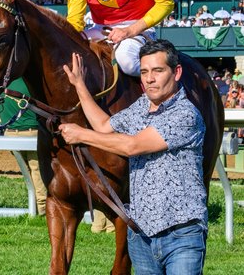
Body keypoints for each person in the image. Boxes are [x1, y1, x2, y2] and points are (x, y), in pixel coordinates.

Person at [59, 39, 208, 274]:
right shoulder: (141, 106)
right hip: (142, 236)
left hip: (182, 236)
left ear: (176, 72)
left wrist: (81, 135)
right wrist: (79, 85)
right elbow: (104, 125)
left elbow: (132, 146)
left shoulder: (185, 115)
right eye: (145, 71)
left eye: (158, 71)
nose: (149, 79)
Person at [0, 78, 47, 216]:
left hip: (11, 136)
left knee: (26, 172)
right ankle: (42, 209)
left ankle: (34, 207)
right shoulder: (31, 82)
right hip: (32, 133)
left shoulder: (1, 87)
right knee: (37, 171)